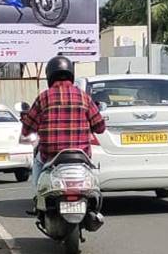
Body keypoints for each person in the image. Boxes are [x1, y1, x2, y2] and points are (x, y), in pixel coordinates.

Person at [21, 56, 106, 195]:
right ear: (71, 75)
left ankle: (38, 197)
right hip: (80, 156)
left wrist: (28, 121)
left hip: (50, 157)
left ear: (49, 76)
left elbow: (27, 130)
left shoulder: (44, 97)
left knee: (36, 162)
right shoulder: (84, 97)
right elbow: (100, 128)